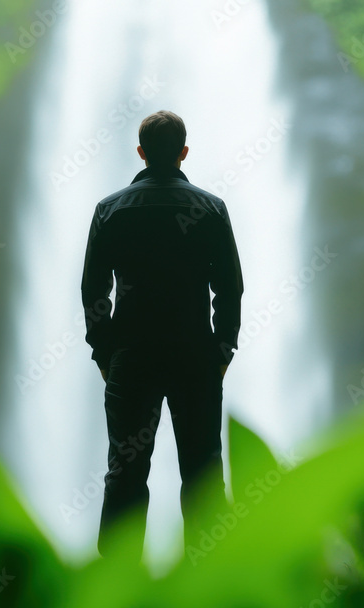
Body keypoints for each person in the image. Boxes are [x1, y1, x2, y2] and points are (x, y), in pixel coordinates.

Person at [81, 110, 244, 560]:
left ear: (141, 152)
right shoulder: (209, 208)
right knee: (204, 474)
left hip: (132, 357)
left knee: (125, 473)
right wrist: (223, 348)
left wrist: (104, 352)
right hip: (194, 355)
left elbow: (94, 290)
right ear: (183, 152)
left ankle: (114, 590)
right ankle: (208, 587)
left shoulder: (110, 209)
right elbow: (229, 287)